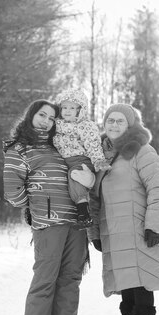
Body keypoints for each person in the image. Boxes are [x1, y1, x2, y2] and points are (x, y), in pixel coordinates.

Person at [86, 103, 159, 315]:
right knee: (126, 281)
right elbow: (94, 199)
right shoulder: (101, 155)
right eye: (109, 120)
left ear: (131, 124)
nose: (113, 125)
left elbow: (158, 190)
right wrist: (94, 232)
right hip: (113, 229)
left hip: (140, 227)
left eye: (119, 121)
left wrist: (153, 225)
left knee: (142, 281)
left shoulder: (142, 152)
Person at [3, 99, 89, 315]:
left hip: (76, 221)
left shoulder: (61, 144)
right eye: (42, 115)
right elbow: (12, 191)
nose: (47, 121)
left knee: (71, 278)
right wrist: (33, 207)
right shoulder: (19, 149)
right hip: (48, 222)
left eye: (52, 118)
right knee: (45, 278)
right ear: (31, 115)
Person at [53, 89, 110, 228]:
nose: (67, 111)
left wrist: (98, 161)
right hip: (64, 163)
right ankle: (72, 211)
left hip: (81, 161)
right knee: (67, 180)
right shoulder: (56, 126)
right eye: (64, 107)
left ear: (80, 110)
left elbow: (93, 144)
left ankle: (83, 211)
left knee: (75, 175)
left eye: (72, 108)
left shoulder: (85, 126)